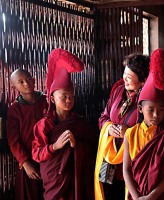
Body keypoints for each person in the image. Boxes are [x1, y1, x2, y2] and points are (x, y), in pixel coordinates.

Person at [32, 48, 98, 200]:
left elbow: (95, 147)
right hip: (54, 181)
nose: (68, 100)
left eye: (71, 96)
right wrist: (54, 146)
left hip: (76, 179)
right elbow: (36, 154)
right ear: (53, 98)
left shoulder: (79, 123)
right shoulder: (44, 125)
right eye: (64, 96)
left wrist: (77, 145)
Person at [123, 48, 164, 200]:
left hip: (162, 195)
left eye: (161, 110)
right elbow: (126, 169)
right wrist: (137, 197)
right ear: (140, 109)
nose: (156, 115)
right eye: (151, 110)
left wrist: (151, 197)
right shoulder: (131, 133)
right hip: (134, 193)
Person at [94, 53, 150, 200]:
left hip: (132, 161)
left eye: (129, 77)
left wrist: (129, 133)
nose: (124, 79)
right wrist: (108, 127)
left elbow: (150, 131)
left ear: (143, 81)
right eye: (124, 73)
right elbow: (103, 117)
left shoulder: (146, 100)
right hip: (110, 160)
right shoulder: (118, 92)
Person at [6, 69, 47, 200]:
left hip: (50, 154)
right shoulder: (15, 109)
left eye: (29, 78)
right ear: (14, 87)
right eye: (21, 82)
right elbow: (13, 140)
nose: (26, 83)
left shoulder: (46, 100)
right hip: (29, 159)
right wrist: (24, 162)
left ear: (34, 79)